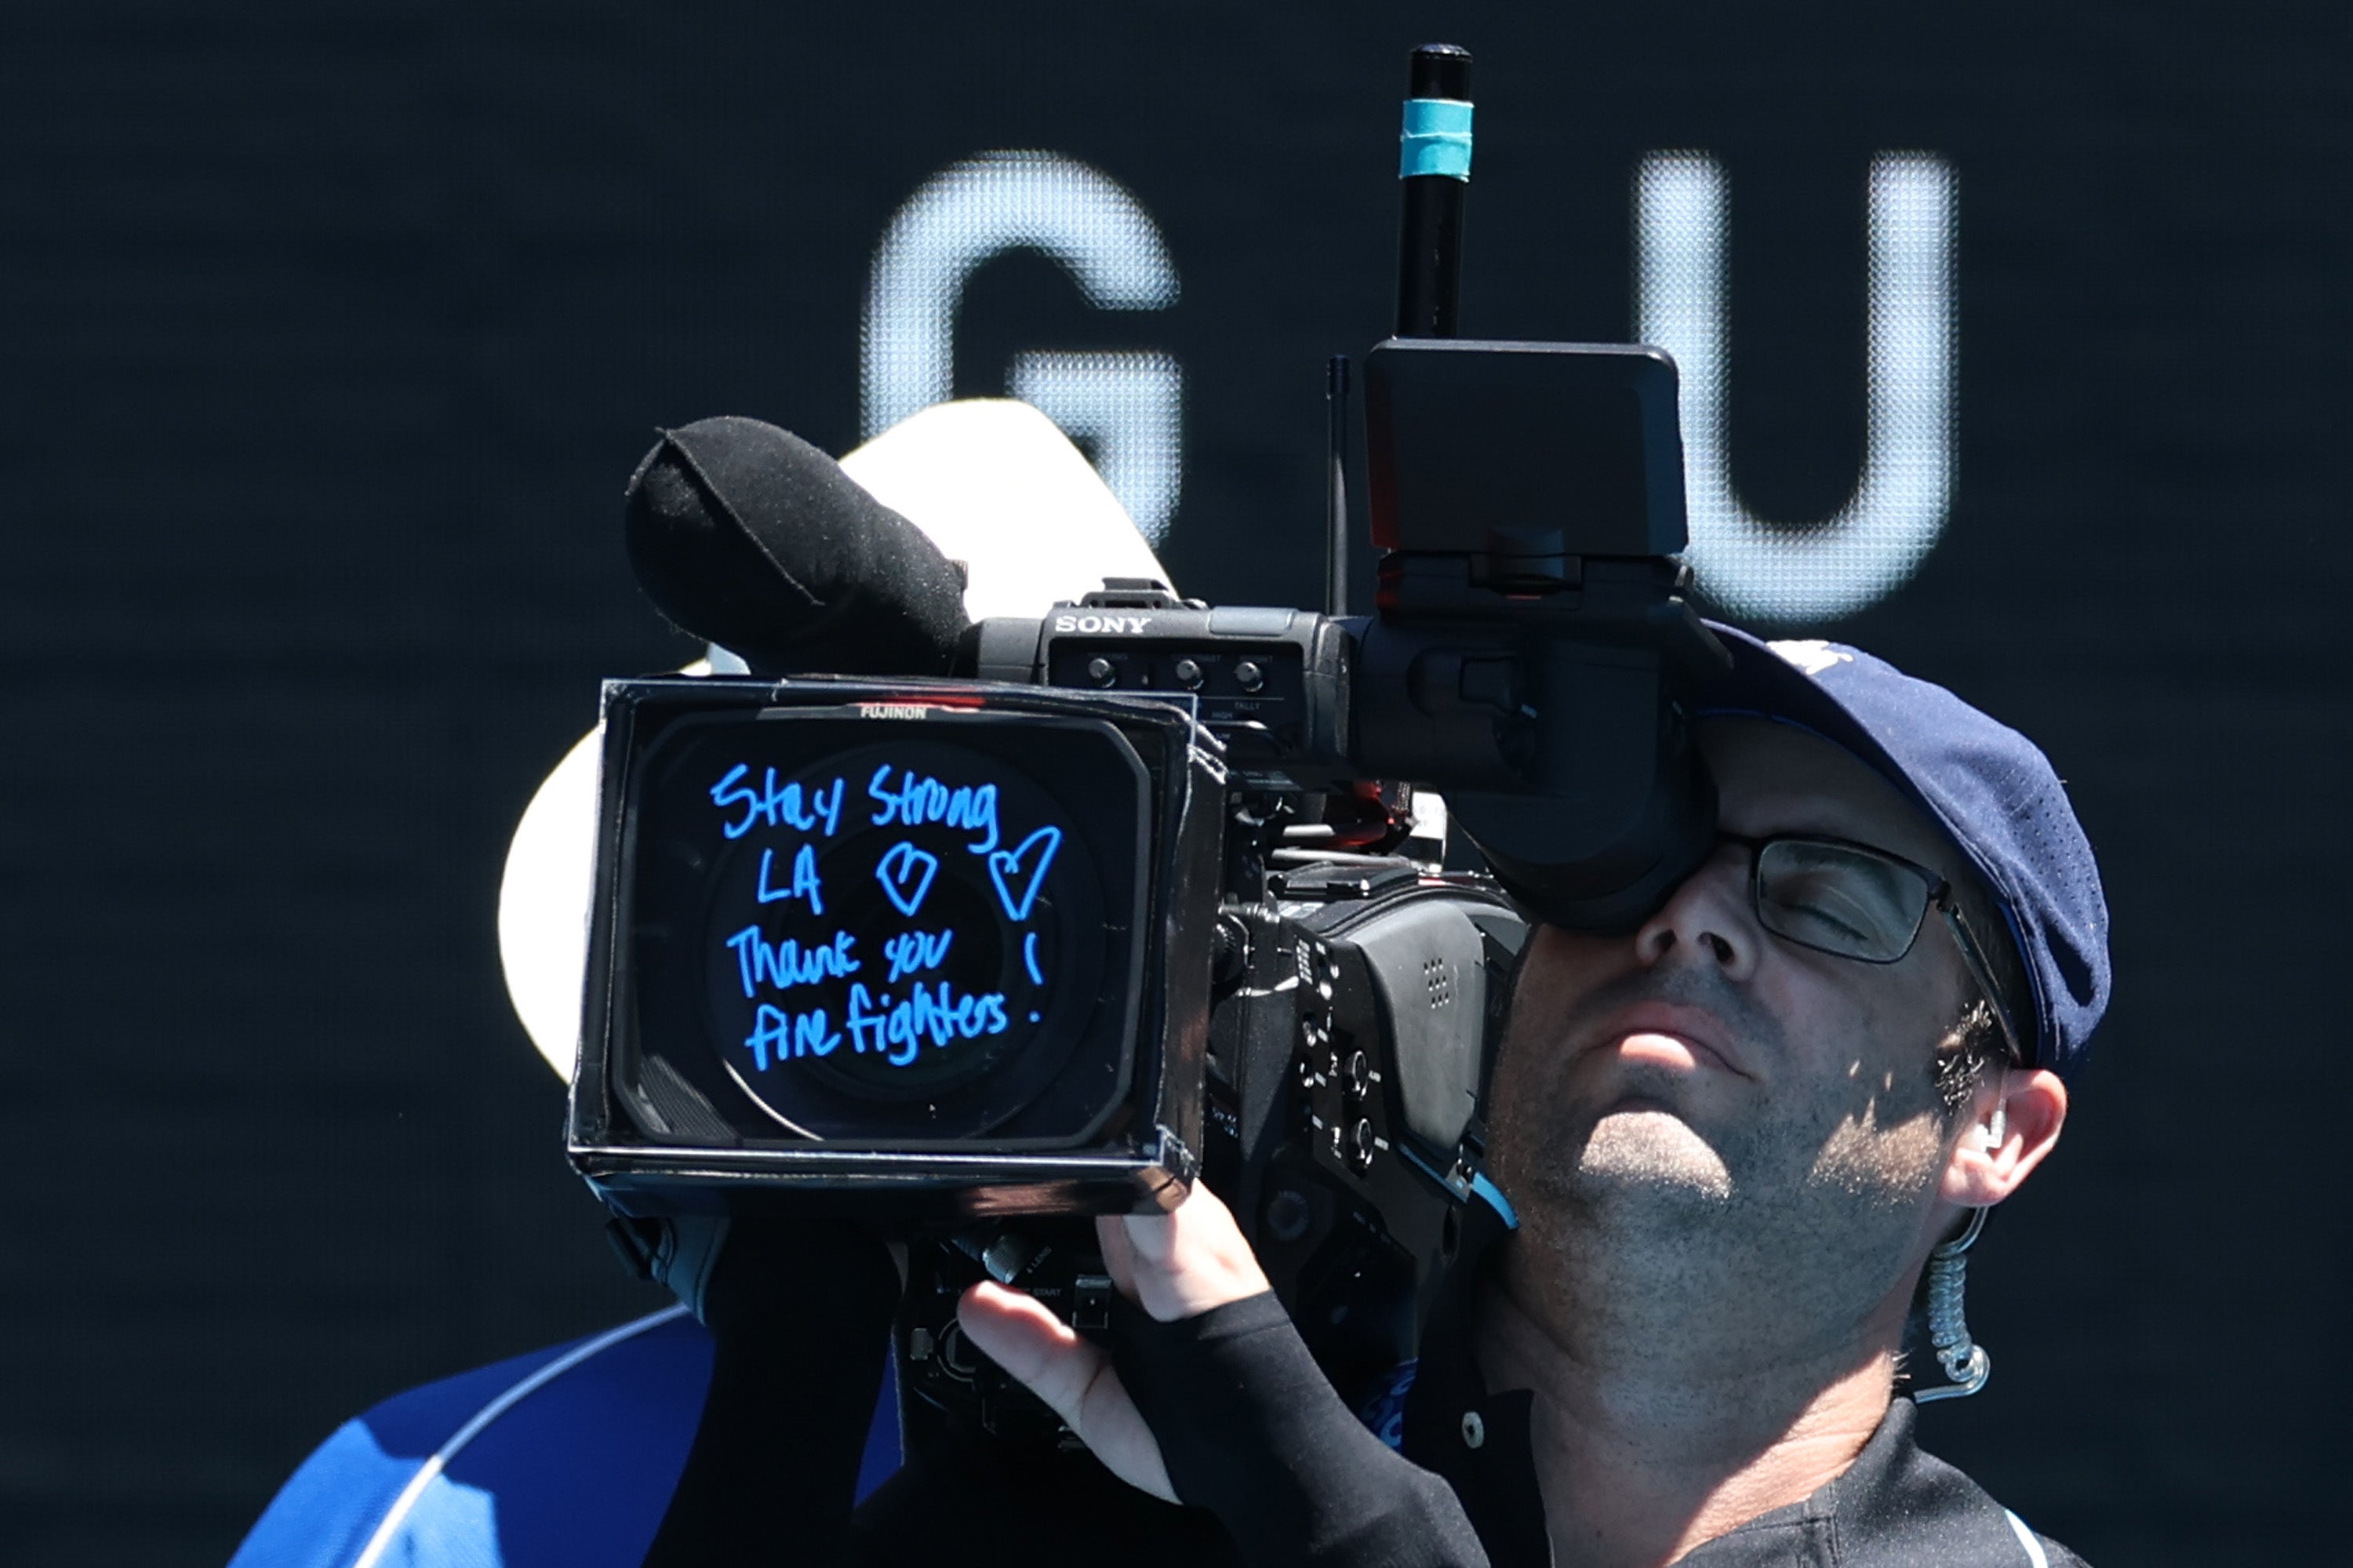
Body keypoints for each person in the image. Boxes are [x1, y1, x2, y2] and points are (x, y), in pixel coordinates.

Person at [234, 628, 2107, 1568]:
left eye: (1831, 893)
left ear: (1998, 1128)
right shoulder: (1107, 1477)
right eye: (1635, 860)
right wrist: (802, 1403)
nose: (1692, 914)